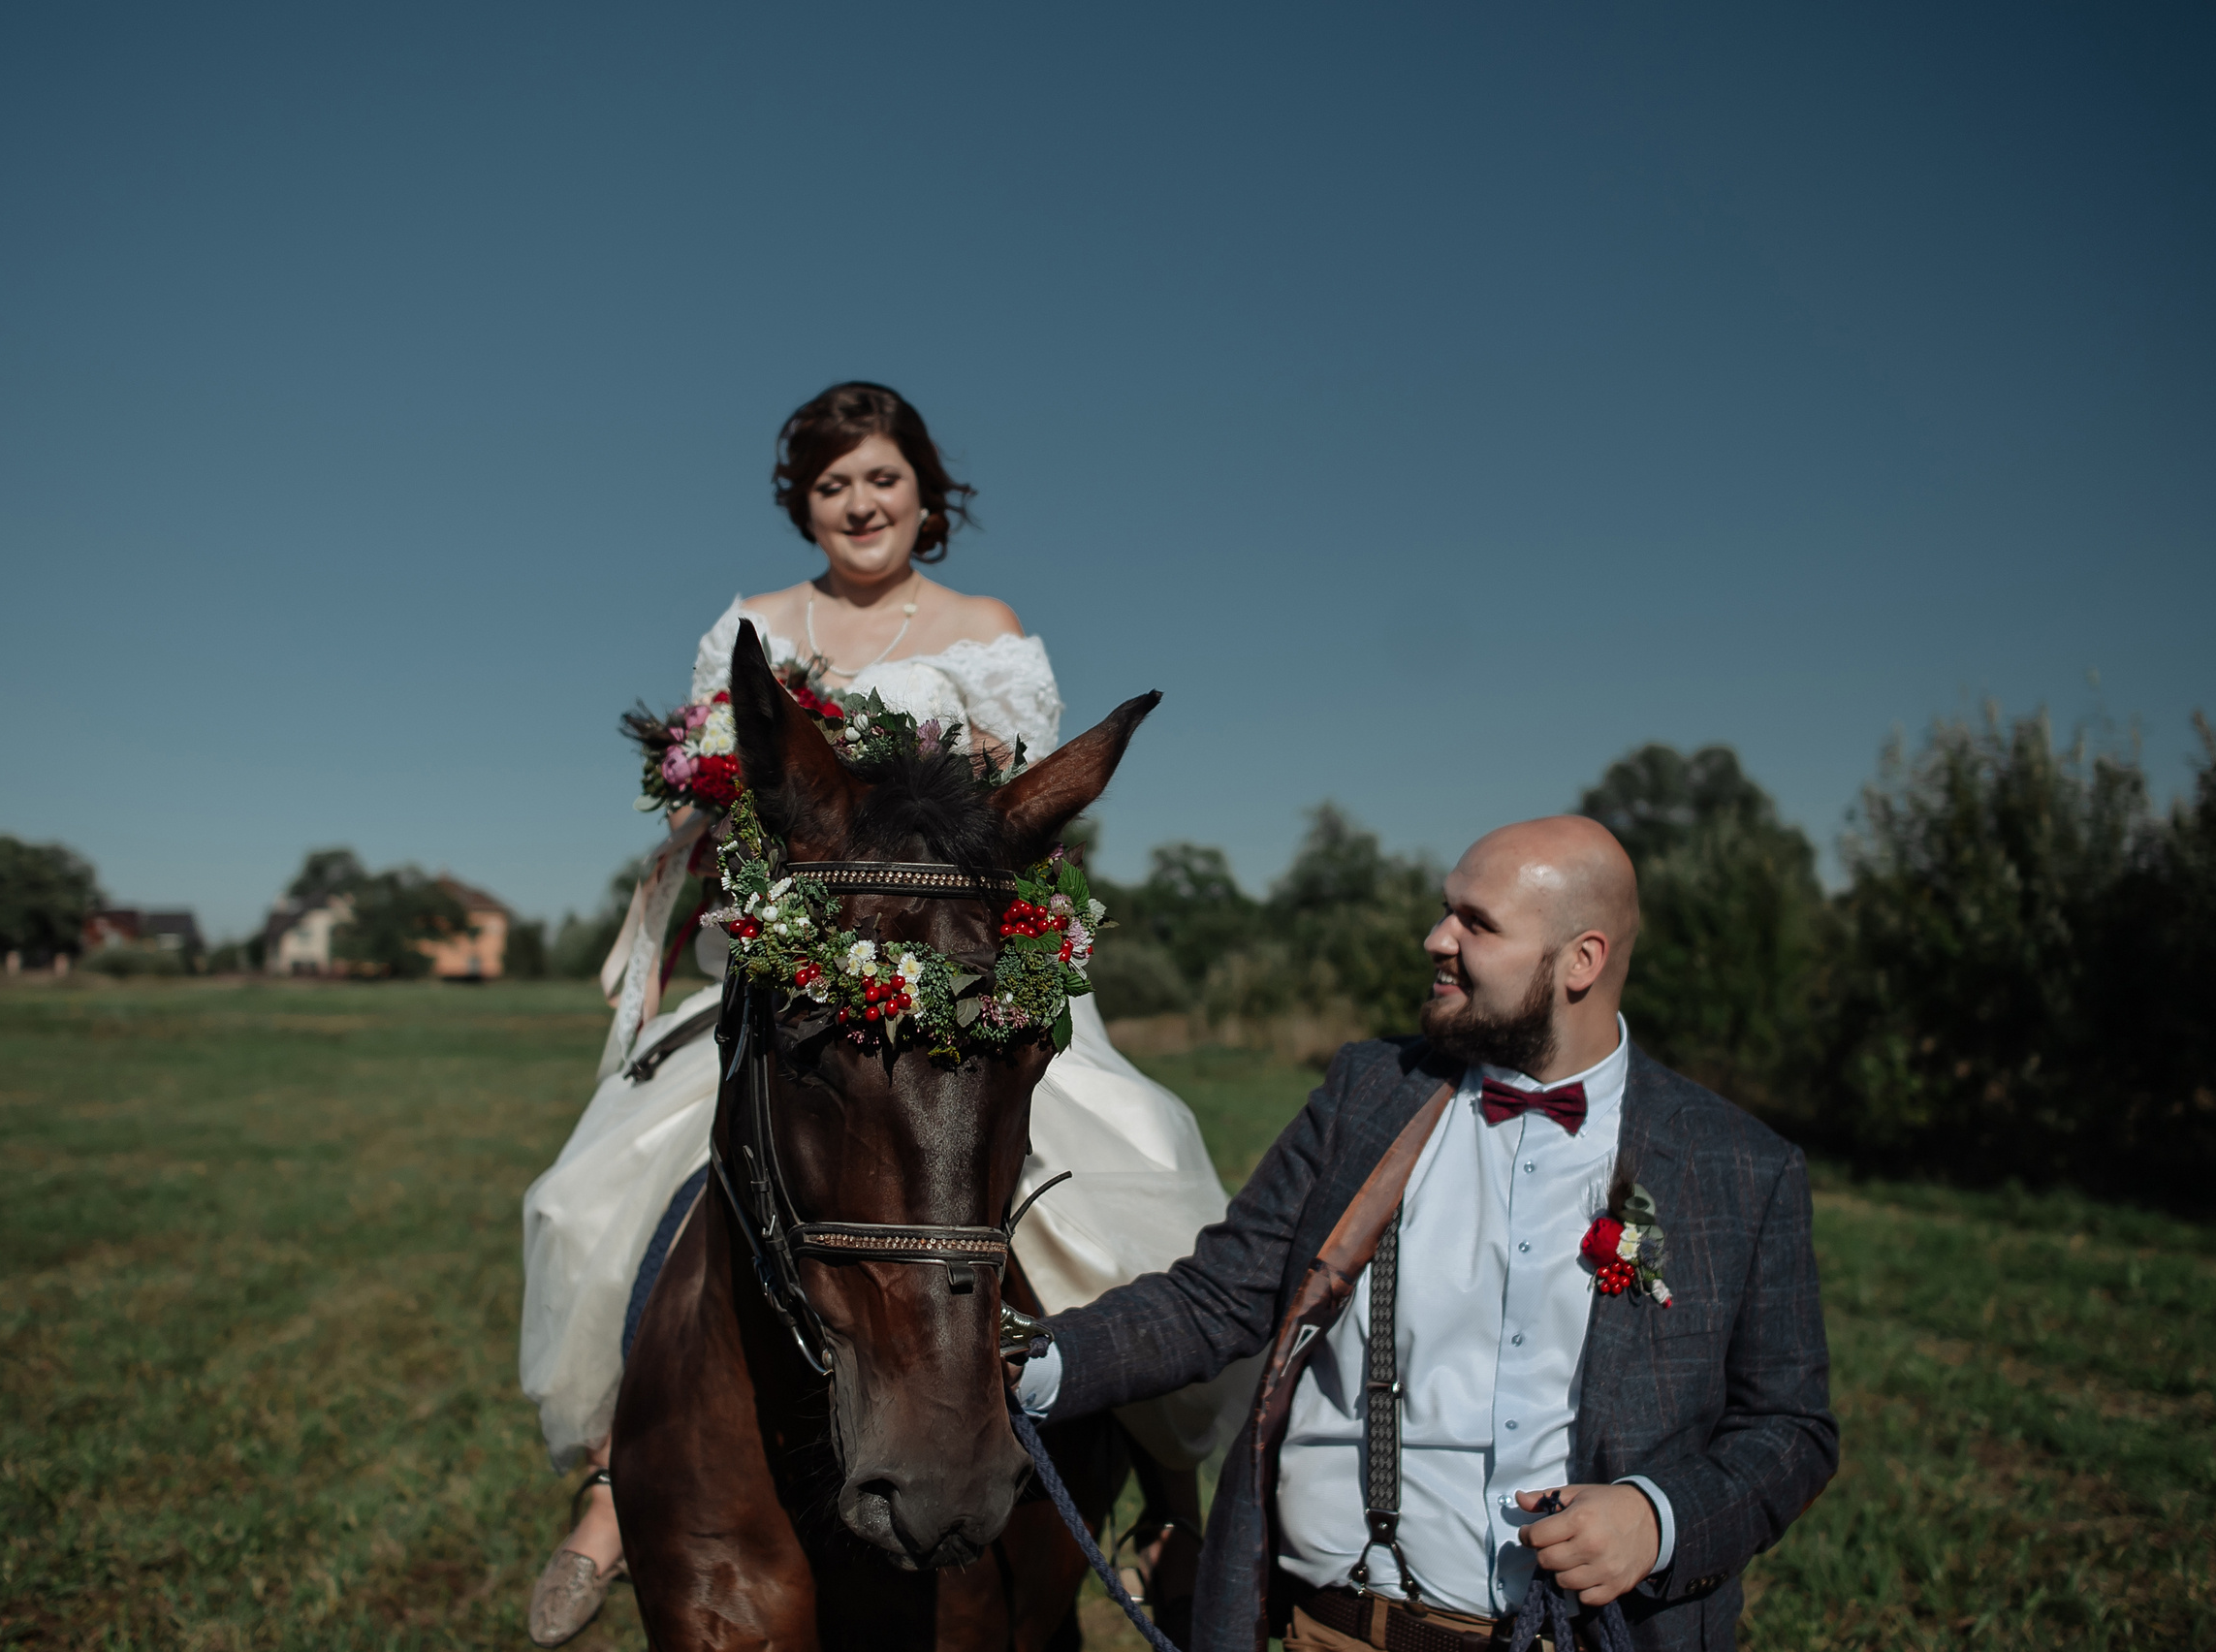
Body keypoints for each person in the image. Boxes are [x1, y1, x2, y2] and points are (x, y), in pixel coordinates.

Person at [519, 383, 1245, 1645]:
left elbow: (1009, 823)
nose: (860, 504)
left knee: (1150, 1180)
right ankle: (612, 1479)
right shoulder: (747, 627)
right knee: (590, 1199)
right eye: (832, 484)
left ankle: (1171, 1497)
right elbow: (728, 827)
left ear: (926, 493)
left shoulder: (989, 631)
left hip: (955, 976)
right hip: (786, 975)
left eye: (882, 479)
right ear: (805, 505)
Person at [1014, 816, 1837, 1651]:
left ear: (1581, 961)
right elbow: (1215, 1299)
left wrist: (1658, 1521)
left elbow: (1791, 1428)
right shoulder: (1368, 1093)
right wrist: (1025, 1359)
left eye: (1476, 924)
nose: (1434, 939)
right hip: (1337, 1631)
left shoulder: (1738, 1167)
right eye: (1447, 911)